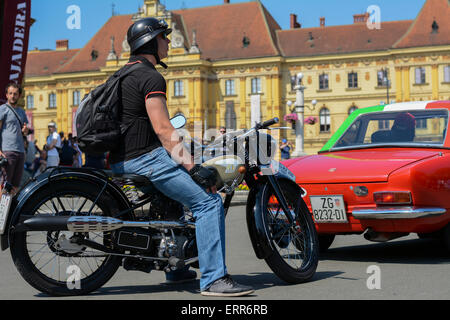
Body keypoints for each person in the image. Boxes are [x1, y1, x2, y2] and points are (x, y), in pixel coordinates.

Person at [109, 17, 253, 297]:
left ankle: (176, 268)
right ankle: (214, 280)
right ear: (150, 42)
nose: (167, 42)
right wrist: (193, 166)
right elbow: (164, 129)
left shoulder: (122, 75)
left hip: (121, 159)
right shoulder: (151, 77)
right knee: (209, 202)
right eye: (163, 37)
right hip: (145, 159)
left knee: (171, 201)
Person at [0, 83, 29, 195]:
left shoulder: (22, 112)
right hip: (7, 151)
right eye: (10, 93)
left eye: (15, 94)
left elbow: (25, 131)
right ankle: (1, 210)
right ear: (6, 95)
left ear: (19, 95)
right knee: (4, 183)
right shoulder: (2, 109)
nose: (13, 96)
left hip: (20, 151)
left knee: (16, 184)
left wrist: (25, 131)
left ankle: (10, 210)